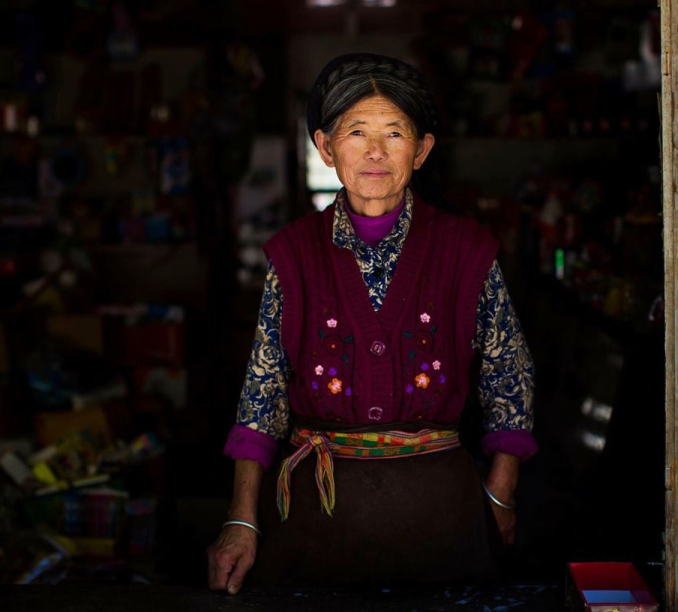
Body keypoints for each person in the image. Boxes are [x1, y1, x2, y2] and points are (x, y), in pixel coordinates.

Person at [207, 53, 536, 592]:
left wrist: (500, 495)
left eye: (395, 133)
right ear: (326, 148)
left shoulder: (466, 250)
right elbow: (261, 396)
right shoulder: (292, 255)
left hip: (441, 519)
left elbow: (510, 377)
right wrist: (242, 519)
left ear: (422, 149)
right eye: (356, 131)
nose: (376, 151)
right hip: (314, 521)